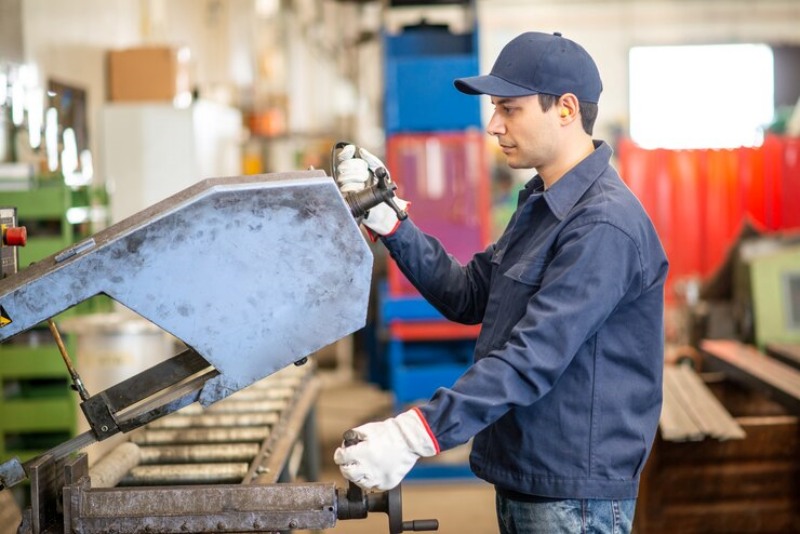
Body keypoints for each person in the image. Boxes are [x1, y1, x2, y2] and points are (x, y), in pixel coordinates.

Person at [333, 31, 669, 534]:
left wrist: (415, 433)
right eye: (495, 108)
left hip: (571, 496)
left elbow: (533, 356)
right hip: (529, 477)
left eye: (509, 109)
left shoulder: (603, 225)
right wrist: (393, 224)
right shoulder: (541, 204)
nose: (493, 125)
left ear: (566, 109)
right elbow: (469, 295)